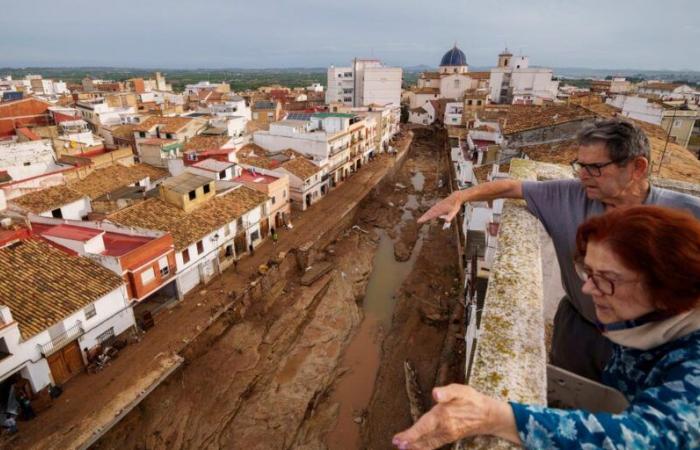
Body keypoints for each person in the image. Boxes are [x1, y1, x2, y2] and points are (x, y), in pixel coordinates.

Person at [394, 206, 700, 449]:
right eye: (588, 272)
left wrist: (493, 416)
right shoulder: (644, 322)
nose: (588, 290)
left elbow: (646, 440)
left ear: (667, 288)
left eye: (607, 279)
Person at [419, 118, 700, 381]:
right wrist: (459, 197)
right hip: (580, 332)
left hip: (658, 346)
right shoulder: (569, 195)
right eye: (580, 166)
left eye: (595, 168)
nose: (583, 176)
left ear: (637, 167)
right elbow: (511, 187)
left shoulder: (686, 215)